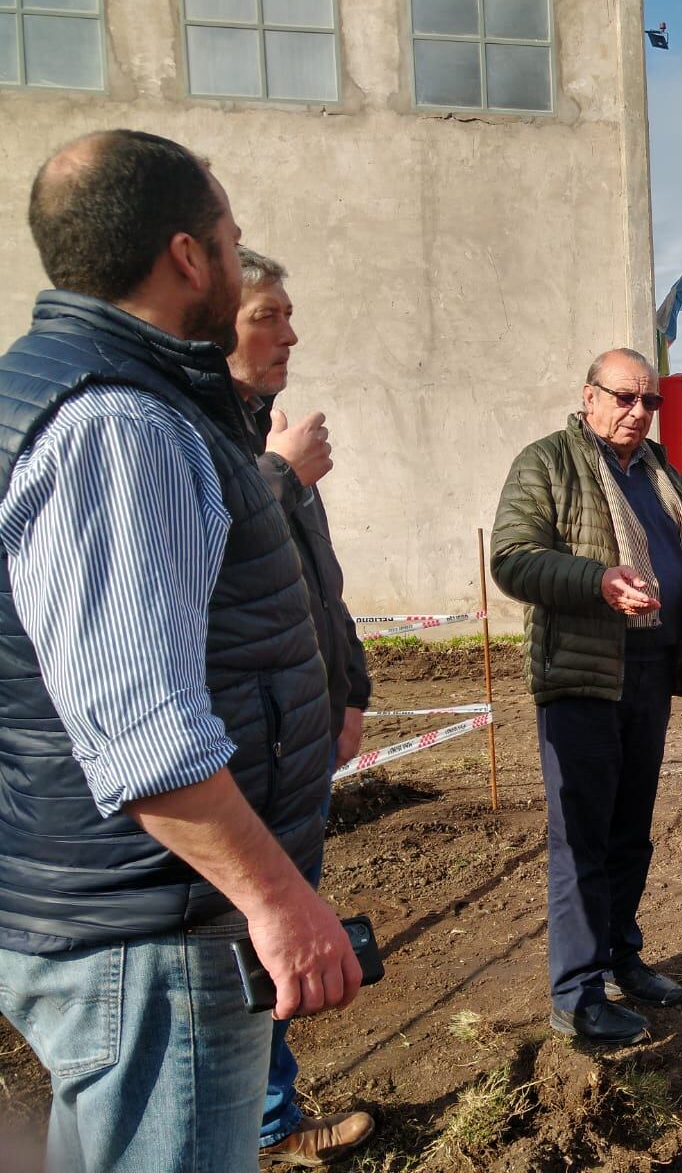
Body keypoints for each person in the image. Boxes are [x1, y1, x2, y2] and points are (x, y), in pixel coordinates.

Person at [0, 130, 361, 1172]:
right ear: (189, 257)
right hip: (158, 932)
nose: (241, 257)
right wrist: (280, 902)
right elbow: (141, 729)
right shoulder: (121, 424)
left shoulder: (76, 389)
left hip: (118, 915)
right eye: (232, 238)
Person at [491, 349, 682, 1046]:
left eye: (648, 402)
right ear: (589, 396)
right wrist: (596, 580)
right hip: (581, 679)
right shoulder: (547, 463)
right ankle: (576, 994)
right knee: (582, 840)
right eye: (623, 398)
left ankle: (621, 957)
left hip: (650, 675)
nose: (637, 413)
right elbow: (512, 557)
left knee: (631, 831)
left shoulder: (661, 473)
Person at [227, 248, 377, 1164]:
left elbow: (318, 588)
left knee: (268, 951)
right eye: (266, 316)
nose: (290, 333)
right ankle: (261, 1126)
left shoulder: (267, 436)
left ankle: (267, 1118)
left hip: (301, 739)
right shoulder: (200, 443)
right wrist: (281, 478)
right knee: (249, 946)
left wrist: (350, 691)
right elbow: (219, 578)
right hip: (244, 751)